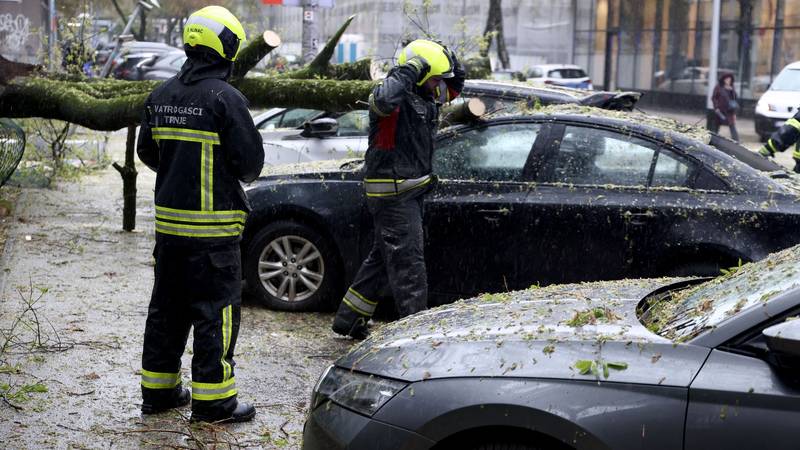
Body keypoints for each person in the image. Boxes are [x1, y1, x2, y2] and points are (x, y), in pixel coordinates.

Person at [136, 5, 264, 423]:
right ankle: (214, 403)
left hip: (169, 236)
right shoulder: (226, 99)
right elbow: (249, 165)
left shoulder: (161, 95)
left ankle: (158, 394)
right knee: (215, 316)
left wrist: (182, 169)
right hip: (213, 238)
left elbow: (147, 152)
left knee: (166, 313)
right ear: (225, 47)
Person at [331, 39, 465, 339]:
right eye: (434, 78)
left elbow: (454, 88)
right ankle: (415, 337)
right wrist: (408, 69)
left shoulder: (424, 95)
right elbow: (381, 102)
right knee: (409, 267)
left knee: (382, 260)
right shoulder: (392, 94)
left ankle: (348, 319)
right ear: (418, 72)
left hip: (409, 191)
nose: (438, 86)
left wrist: (449, 59)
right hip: (393, 193)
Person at [711, 73, 739, 141]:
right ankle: (712, 139)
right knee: (716, 126)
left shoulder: (732, 87)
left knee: (732, 126)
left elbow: (734, 99)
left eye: (730, 79)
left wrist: (732, 91)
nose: (728, 81)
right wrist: (716, 107)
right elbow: (714, 98)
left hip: (729, 110)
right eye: (727, 79)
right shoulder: (718, 87)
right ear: (723, 80)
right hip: (720, 110)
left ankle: (736, 142)